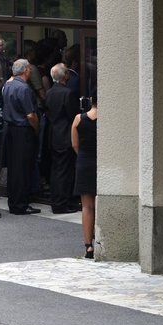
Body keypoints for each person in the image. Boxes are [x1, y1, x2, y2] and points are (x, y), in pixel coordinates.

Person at [2, 59, 41, 216]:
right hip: (22, 130)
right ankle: (21, 204)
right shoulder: (24, 88)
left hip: (10, 129)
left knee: (14, 167)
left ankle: (14, 201)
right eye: (29, 69)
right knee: (23, 168)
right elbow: (30, 115)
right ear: (25, 70)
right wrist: (37, 129)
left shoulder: (8, 85)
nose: (30, 71)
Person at [46, 63, 81, 215]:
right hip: (65, 135)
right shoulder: (68, 93)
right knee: (65, 171)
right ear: (66, 76)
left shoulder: (49, 92)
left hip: (53, 134)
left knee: (56, 169)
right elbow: (72, 115)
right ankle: (62, 203)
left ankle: (56, 200)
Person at [72, 97, 97, 259]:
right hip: (102, 163)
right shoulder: (109, 120)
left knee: (87, 206)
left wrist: (82, 156)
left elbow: (74, 145)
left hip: (84, 162)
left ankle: (88, 246)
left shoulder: (78, 119)